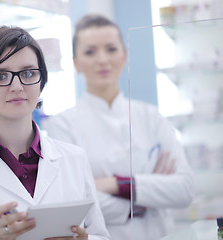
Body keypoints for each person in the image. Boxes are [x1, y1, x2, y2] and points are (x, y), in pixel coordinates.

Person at [0, 26, 111, 240]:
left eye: (28, 73)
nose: (16, 86)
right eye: (0, 76)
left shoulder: (74, 158)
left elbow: (100, 235)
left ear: (41, 82)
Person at [42, 14, 195, 240]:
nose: (102, 59)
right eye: (90, 51)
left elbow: (184, 189)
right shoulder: (61, 127)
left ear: (124, 55)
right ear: (75, 62)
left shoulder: (151, 117)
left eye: (111, 49)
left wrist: (115, 184)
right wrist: (148, 196)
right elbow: (73, 204)